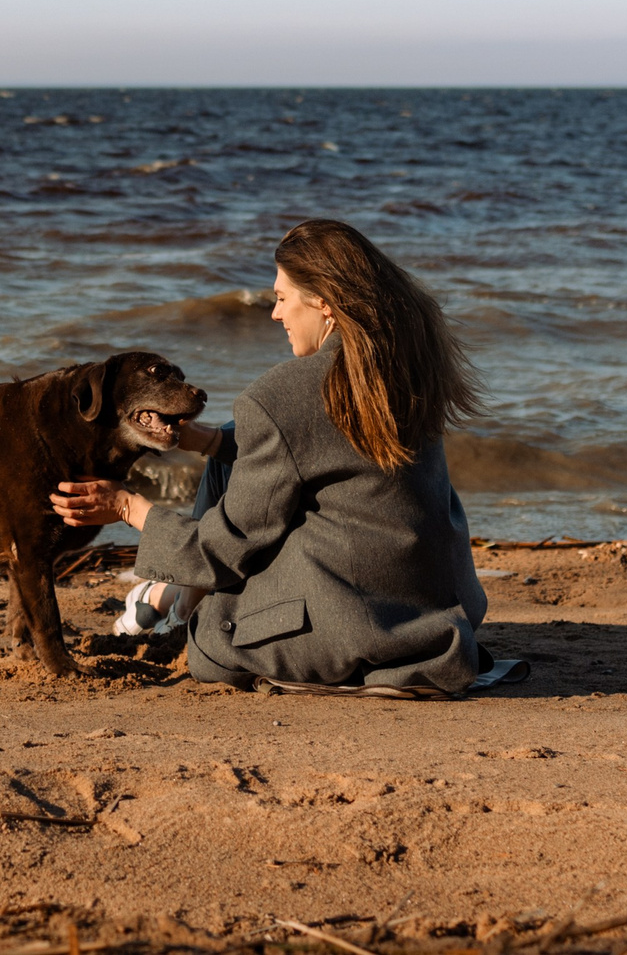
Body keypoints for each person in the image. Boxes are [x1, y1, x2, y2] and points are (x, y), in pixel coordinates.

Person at [50, 218, 504, 694]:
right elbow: (324, 448)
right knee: (230, 455)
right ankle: (175, 593)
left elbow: (224, 549)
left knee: (210, 641)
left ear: (323, 302)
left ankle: (180, 597)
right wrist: (207, 441)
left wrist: (126, 506)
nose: (274, 313)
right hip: (437, 610)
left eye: (282, 298)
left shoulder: (282, 394)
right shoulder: (403, 364)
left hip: (355, 628)